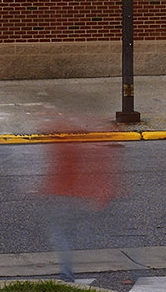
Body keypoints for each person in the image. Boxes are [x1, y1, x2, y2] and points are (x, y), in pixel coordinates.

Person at [41, 115, 121, 283]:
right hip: (76, 197)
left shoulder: (67, 146)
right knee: (68, 233)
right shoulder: (86, 144)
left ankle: (66, 274)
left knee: (61, 234)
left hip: (66, 198)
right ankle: (67, 272)